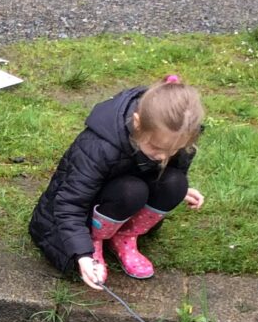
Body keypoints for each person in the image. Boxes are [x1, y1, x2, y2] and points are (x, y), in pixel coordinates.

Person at [29, 75, 206, 289]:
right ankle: (95, 240)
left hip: (125, 197)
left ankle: (125, 237)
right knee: (132, 190)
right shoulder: (99, 145)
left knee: (176, 183)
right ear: (137, 122)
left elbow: (171, 168)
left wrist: (178, 189)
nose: (162, 157)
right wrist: (82, 254)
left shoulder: (175, 139)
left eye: (172, 151)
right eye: (157, 148)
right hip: (89, 208)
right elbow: (69, 204)